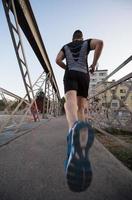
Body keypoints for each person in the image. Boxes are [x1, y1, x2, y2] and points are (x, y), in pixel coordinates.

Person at [56, 30, 103, 192]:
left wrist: (66, 67)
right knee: (81, 106)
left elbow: (57, 60)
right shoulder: (86, 43)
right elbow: (100, 43)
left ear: (72, 38)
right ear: (81, 37)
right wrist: (94, 64)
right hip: (84, 74)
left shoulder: (66, 46)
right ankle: (80, 137)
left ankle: (73, 129)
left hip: (70, 74)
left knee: (69, 102)